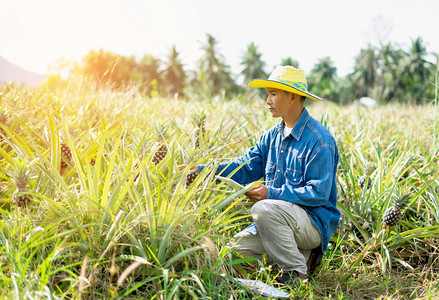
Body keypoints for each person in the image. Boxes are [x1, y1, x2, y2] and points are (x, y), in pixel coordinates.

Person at [184, 65, 340, 285]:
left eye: (273, 94)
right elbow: (243, 167)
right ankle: (299, 258)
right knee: (231, 254)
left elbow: (318, 193)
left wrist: (271, 192)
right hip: (278, 220)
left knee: (262, 209)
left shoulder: (320, 140)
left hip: (312, 224)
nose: (268, 101)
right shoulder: (271, 137)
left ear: (293, 96)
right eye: (268, 94)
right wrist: (201, 171)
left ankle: (296, 273)